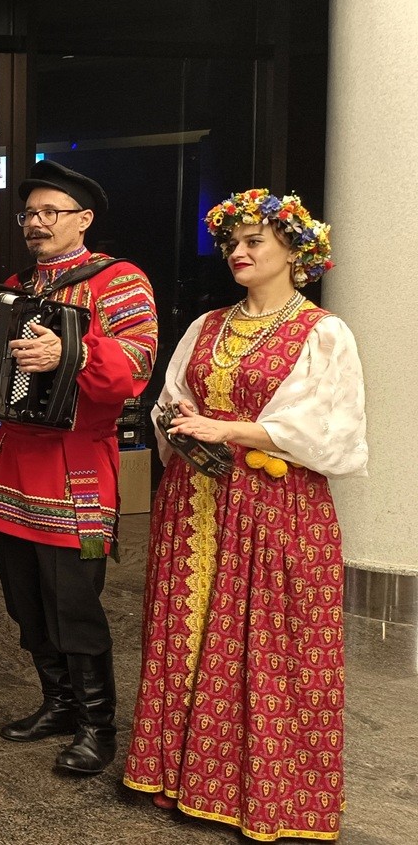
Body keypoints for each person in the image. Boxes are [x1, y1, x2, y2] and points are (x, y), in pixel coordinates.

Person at [123, 190, 365, 840]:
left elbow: (328, 431)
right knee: (185, 628)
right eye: (233, 242)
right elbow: (171, 398)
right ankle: (181, 775)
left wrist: (227, 427)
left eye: (255, 240)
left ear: (295, 250)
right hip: (195, 498)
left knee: (267, 642)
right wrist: (182, 419)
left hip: (276, 507)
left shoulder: (323, 332)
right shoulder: (207, 326)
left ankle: (261, 792)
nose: (239, 251)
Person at [0, 159, 158, 774]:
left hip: (79, 474)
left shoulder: (119, 280)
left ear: (84, 219)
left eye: (50, 212)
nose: (36, 223)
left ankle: (98, 725)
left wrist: (70, 350)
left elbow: (138, 363)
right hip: (9, 469)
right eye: (30, 214)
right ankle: (59, 704)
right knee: (24, 601)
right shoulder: (16, 286)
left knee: (75, 602)